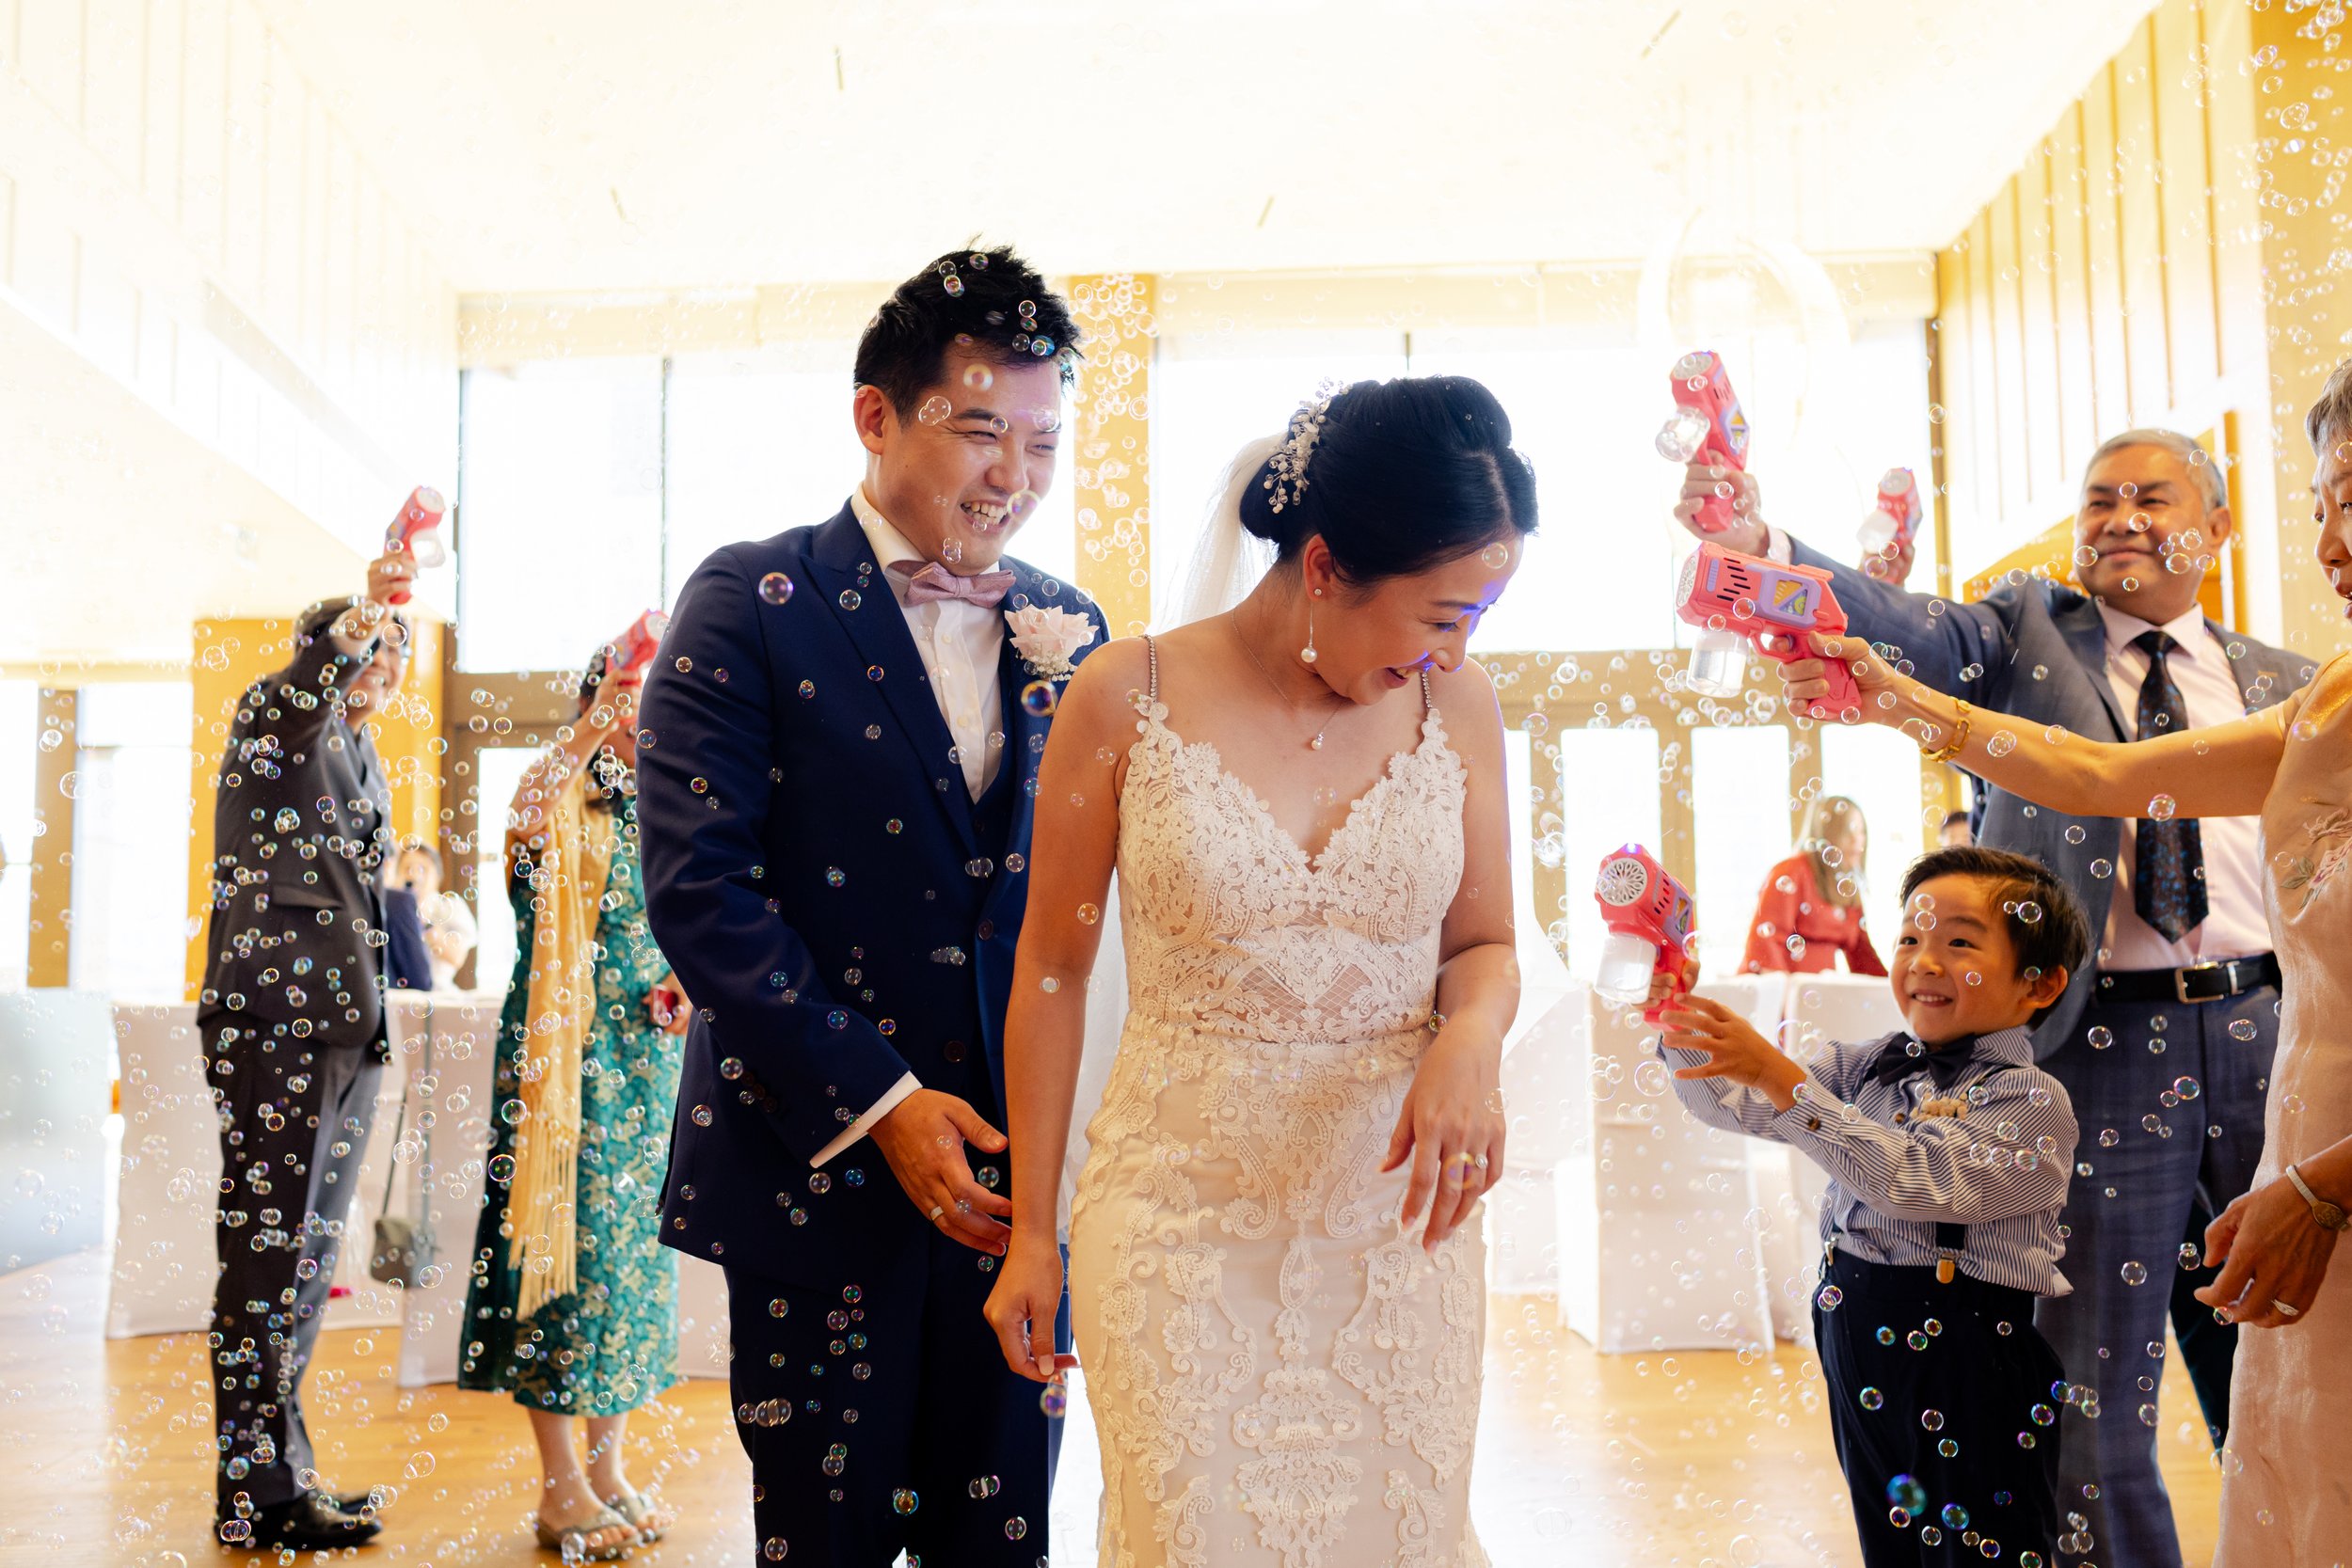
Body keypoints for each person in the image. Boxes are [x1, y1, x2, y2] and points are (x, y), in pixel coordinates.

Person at [1679, 428, 2310, 1568]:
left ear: (2215, 527)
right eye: (2097, 498)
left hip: (2275, 1037)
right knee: (2091, 1392)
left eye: (2149, 497)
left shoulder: (2284, 681)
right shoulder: (2020, 631)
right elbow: (1895, 618)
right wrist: (1757, 546)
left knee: (2290, 1362)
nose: (2118, 516)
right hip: (2097, 1038)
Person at [982, 375, 1531, 1567]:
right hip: (1176, 1227)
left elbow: (1484, 944)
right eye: (1439, 614)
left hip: (1396, 1230)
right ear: (1325, 565)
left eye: (1477, 616)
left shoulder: (1462, 704)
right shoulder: (1125, 695)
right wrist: (1035, 1231)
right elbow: (1053, 972)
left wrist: (1467, 1039)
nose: (1456, 647)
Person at [636, 245, 1092, 1567]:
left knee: (1003, 1536)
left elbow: (1085, 915)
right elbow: (702, 888)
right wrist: (883, 1105)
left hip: (1017, 1181)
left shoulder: (1072, 624)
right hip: (816, 1166)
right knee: (821, 1538)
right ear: (877, 415)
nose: (1014, 474)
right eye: (980, 429)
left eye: (1044, 441)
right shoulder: (748, 601)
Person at [1655, 846, 2089, 1567]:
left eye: (1959, 941)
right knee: (1891, 1537)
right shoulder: (1866, 1063)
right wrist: (1678, 1022)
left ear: (2037, 983)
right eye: (1911, 936)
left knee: (1987, 1545)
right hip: (1856, 1333)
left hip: (1968, 1351)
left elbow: (1907, 1177)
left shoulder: (2032, 1101)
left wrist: (1780, 1072)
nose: (1924, 958)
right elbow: (1738, 1108)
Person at [199, 550, 414, 1550]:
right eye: (370, 642)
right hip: (277, 1025)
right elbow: (302, 695)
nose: (386, 659)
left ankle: (285, 1477)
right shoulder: (275, 721)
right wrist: (354, 626)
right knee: (267, 1258)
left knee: (304, 1261)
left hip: (341, 1029)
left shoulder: (362, 755)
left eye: (396, 648)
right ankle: (253, 1492)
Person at [458, 638, 684, 1560]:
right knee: (563, 1257)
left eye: (654, 692)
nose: (641, 709)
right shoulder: (557, 788)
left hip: (645, 1067)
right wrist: (594, 724)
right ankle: (558, 1491)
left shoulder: (675, 799)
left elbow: (694, 920)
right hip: (566, 1063)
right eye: (626, 691)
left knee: (628, 1269)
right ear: (596, 698)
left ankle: (606, 1466)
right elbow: (525, 828)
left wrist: (684, 985)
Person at [1740, 794, 1886, 976]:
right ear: (1827, 833)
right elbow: (1764, 942)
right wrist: (1782, 998)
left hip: (1816, 995)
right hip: (1773, 993)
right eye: (1848, 830)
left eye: (1861, 831)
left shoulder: (1847, 888)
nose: (1857, 839)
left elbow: (1863, 954)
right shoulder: (1792, 871)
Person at [394, 842, 476, 990]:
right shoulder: (391, 910)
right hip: (397, 993)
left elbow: (456, 957)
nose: (414, 875)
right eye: (407, 869)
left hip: (438, 992)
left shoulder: (450, 907)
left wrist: (424, 921)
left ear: (438, 874)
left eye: (422, 869)